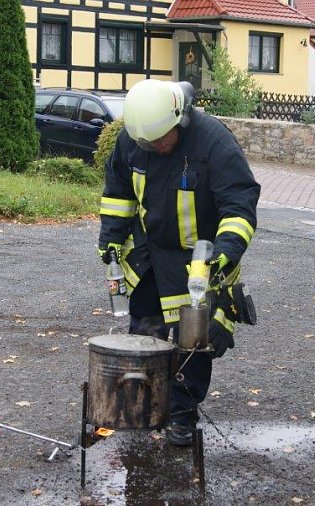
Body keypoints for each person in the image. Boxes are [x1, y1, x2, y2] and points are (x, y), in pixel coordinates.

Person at [97, 79, 260, 446]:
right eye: (147, 142)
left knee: (194, 342)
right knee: (145, 332)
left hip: (198, 261)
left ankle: (181, 413)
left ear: (180, 119)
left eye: (160, 139)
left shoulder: (213, 143)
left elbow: (239, 206)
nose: (155, 146)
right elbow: (118, 194)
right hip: (149, 256)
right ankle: (143, 404)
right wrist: (111, 238)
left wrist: (224, 252)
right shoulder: (133, 139)